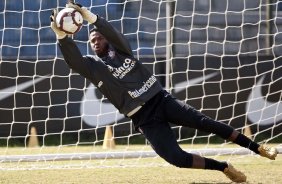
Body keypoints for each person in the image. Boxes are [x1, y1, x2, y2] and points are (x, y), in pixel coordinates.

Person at [50, 3, 278, 183]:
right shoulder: (93, 66)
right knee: (176, 158)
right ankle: (223, 168)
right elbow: (74, 61)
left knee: (206, 123)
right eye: (91, 41)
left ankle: (257, 148)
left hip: (161, 100)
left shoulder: (121, 50)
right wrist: (62, 36)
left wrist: (91, 17)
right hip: (143, 118)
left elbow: (110, 31)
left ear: (106, 39)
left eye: (98, 38)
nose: (95, 42)